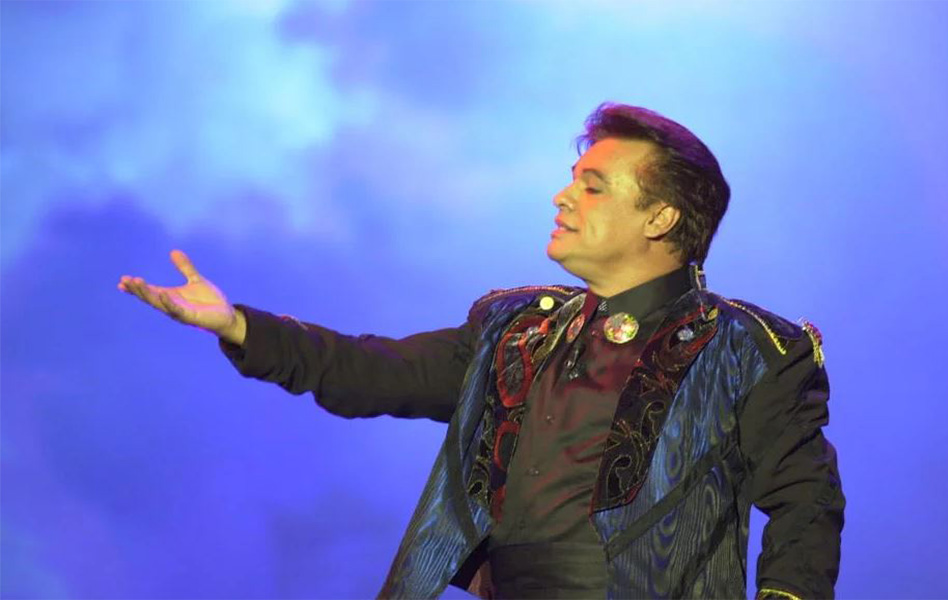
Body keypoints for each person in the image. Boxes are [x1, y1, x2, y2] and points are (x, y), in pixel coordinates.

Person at [119, 103, 844, 599]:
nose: (562, 197)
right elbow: (371, 371)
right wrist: (238, 325)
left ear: (659, 217)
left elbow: (806, 506)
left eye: (593, 187)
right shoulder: (513, 327)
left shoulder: (752, 349)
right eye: (572, 180)